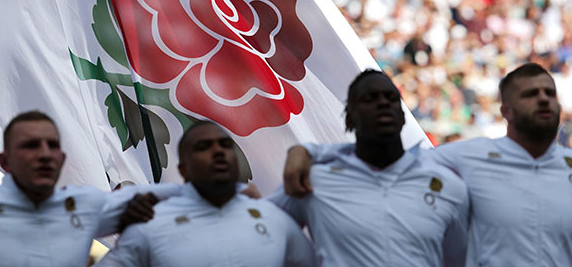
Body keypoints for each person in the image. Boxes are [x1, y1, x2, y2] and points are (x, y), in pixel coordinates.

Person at [286, 63, 572, 266]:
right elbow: (384, 154)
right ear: (505, 111)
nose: (543, 100)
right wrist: (309, 152)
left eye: (550, 94)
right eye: (531, 94)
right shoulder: (467, 157)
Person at [270, 69, 468, 266]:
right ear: (350, 116)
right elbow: (258, 229)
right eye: (370, 98)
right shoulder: (312, 181)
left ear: (402, 115)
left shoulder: (446, 185)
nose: (383, 102)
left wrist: (306, 150)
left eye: (391, 97)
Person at [0, 111, 178, 267]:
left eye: (52, 146)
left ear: (61, 157)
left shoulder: (87, 204)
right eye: (31, 146)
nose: (44, 155)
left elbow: (166, 195)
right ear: (4, 161)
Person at [97, 120, 316, 267]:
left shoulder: (276, 223)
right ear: (183, 169)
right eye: (204, 147)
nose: (218, 151)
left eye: (225, 145)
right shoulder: (150, 229)